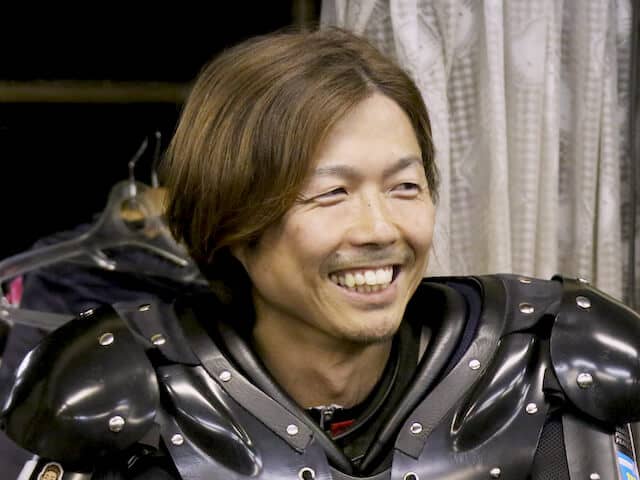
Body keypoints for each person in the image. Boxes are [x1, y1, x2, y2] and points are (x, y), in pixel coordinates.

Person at [2, 26, 640, 480]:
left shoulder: (559, 363)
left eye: (405, 187)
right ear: (233, 223)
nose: (379, 228)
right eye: (330, 193)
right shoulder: (119, 399)